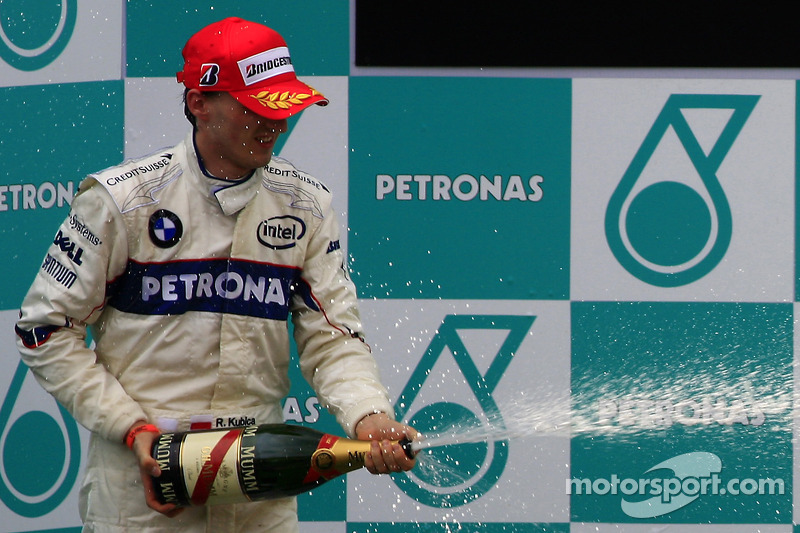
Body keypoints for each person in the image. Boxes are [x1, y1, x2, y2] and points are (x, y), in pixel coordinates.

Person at [15, 16, 416, 532]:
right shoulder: (122, 201)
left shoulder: (307, 206)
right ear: (199, 102)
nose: (276, 124)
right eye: (257, 109)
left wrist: (369, 417)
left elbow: (334, 340)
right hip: (144, 489)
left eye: (285, 109)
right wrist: (132, 429)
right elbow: (43, 330)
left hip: (260, 485)